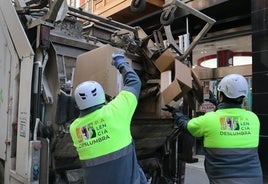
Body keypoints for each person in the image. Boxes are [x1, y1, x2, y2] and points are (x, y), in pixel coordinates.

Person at [163, 74, 263, 184]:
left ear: (221, 95)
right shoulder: (253, 119)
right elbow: (231, 123)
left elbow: (186, 125)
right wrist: (217, 103)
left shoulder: (209, 120)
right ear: (244, 97)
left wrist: (176, 112)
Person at [70, 52, 147, 184]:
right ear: (101, 96)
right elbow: (134, 82)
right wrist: (120, 62)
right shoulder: (115, 111)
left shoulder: (74, 129)